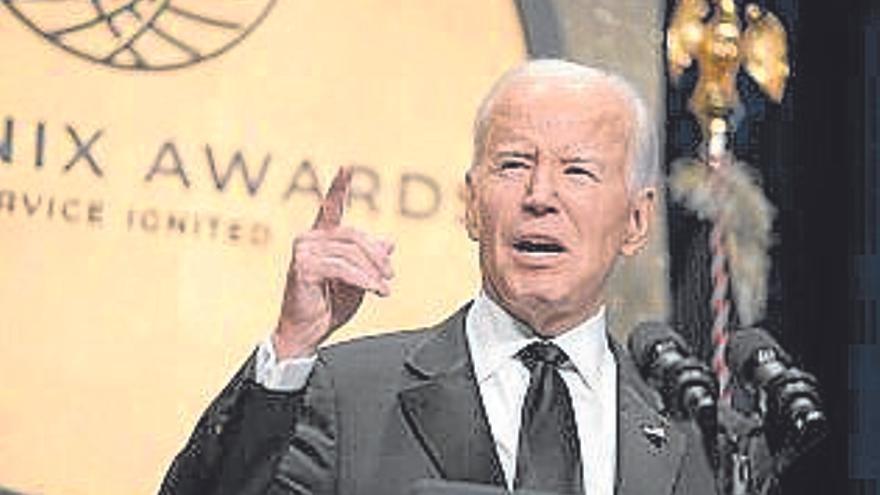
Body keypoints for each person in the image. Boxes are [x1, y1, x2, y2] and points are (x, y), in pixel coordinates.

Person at [159, 60, 717, 495]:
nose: (540, 195)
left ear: (636, 221)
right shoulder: (346, 395)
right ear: (471, 205)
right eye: (514, 164)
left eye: (577, 171)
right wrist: (290, 348)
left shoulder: (686, 432)